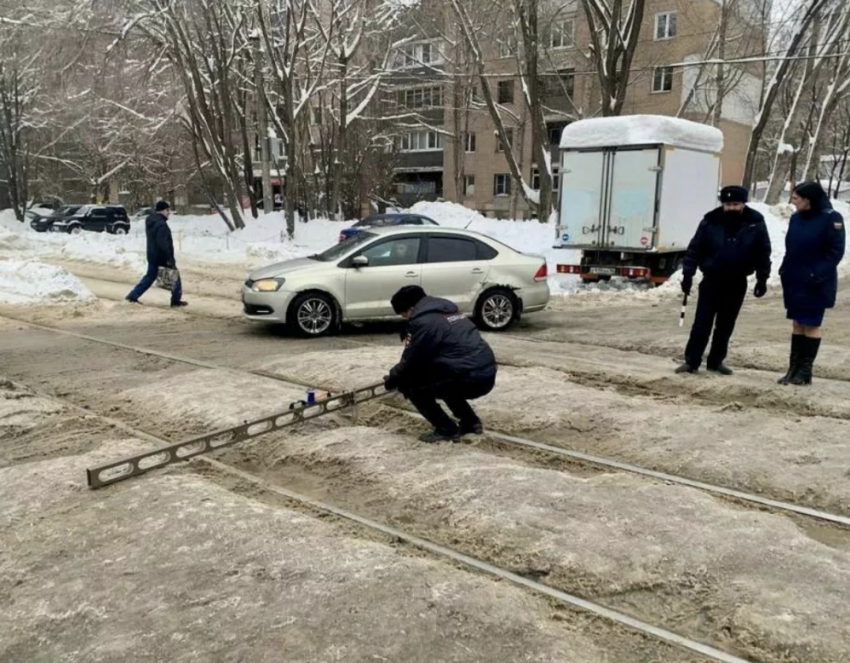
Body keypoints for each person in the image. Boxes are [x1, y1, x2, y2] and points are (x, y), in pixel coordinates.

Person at [676, 185, 771, 375]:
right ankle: (692, 361)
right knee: (702, 323)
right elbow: (695, 249)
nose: (731, 208)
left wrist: (762, 278)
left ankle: (716, 361)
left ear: (743, 203)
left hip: (737, 281)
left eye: (735, 204)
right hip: (712, 279)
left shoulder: (755, 222)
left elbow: (763, 251)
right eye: (727, 204)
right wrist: (688, 274)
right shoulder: (711, 220)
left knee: (726, 324)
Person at [384, 286, 497, 443]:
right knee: (444, 378)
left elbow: (411, 362)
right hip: (487, 372)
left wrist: (393, 378)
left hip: (468, 377)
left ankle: (446, 429)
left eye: (404, 315)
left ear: (410, 308)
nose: (406, 319)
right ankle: (470, 423)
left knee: (411, 385)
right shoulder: (450, 312)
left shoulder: (424, 323)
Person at [777, 181, 846, 386]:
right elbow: (791, 247)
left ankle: (805, 371)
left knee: (811, 324)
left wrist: (818, 273)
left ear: (808, 200)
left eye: (796, 198)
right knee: (797, 323)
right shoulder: (796, 218)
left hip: (816, 280)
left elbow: (835, 251)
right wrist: (784, 268)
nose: (793, 201)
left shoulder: (831, 218)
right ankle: (793, 369)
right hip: (795, 278)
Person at [126, 200, 188, 308]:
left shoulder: (151, 220)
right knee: (175, 276)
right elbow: (163, 243)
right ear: (162, 211)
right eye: (167, 210)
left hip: (153, 255)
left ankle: (132, 296)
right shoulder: (161, 224)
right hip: (161, 256)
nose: (169, 212)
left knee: (150, 277)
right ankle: (175, 300)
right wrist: (169, 258)